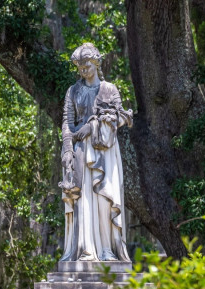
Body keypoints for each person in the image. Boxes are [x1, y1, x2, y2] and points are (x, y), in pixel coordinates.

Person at [59, 43, 133, 262]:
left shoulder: (109, 89)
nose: (84, 70)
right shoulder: (73, 91)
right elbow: (67, 121)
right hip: (81, 151)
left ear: (96, 63)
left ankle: (107, 250)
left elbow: (123, 118)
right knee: (83, 200)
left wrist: (101, 123)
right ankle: (86, 249)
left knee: (104, 199)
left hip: (105, 150)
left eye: (87, 65)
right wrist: (67, 148)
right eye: (80, 66)